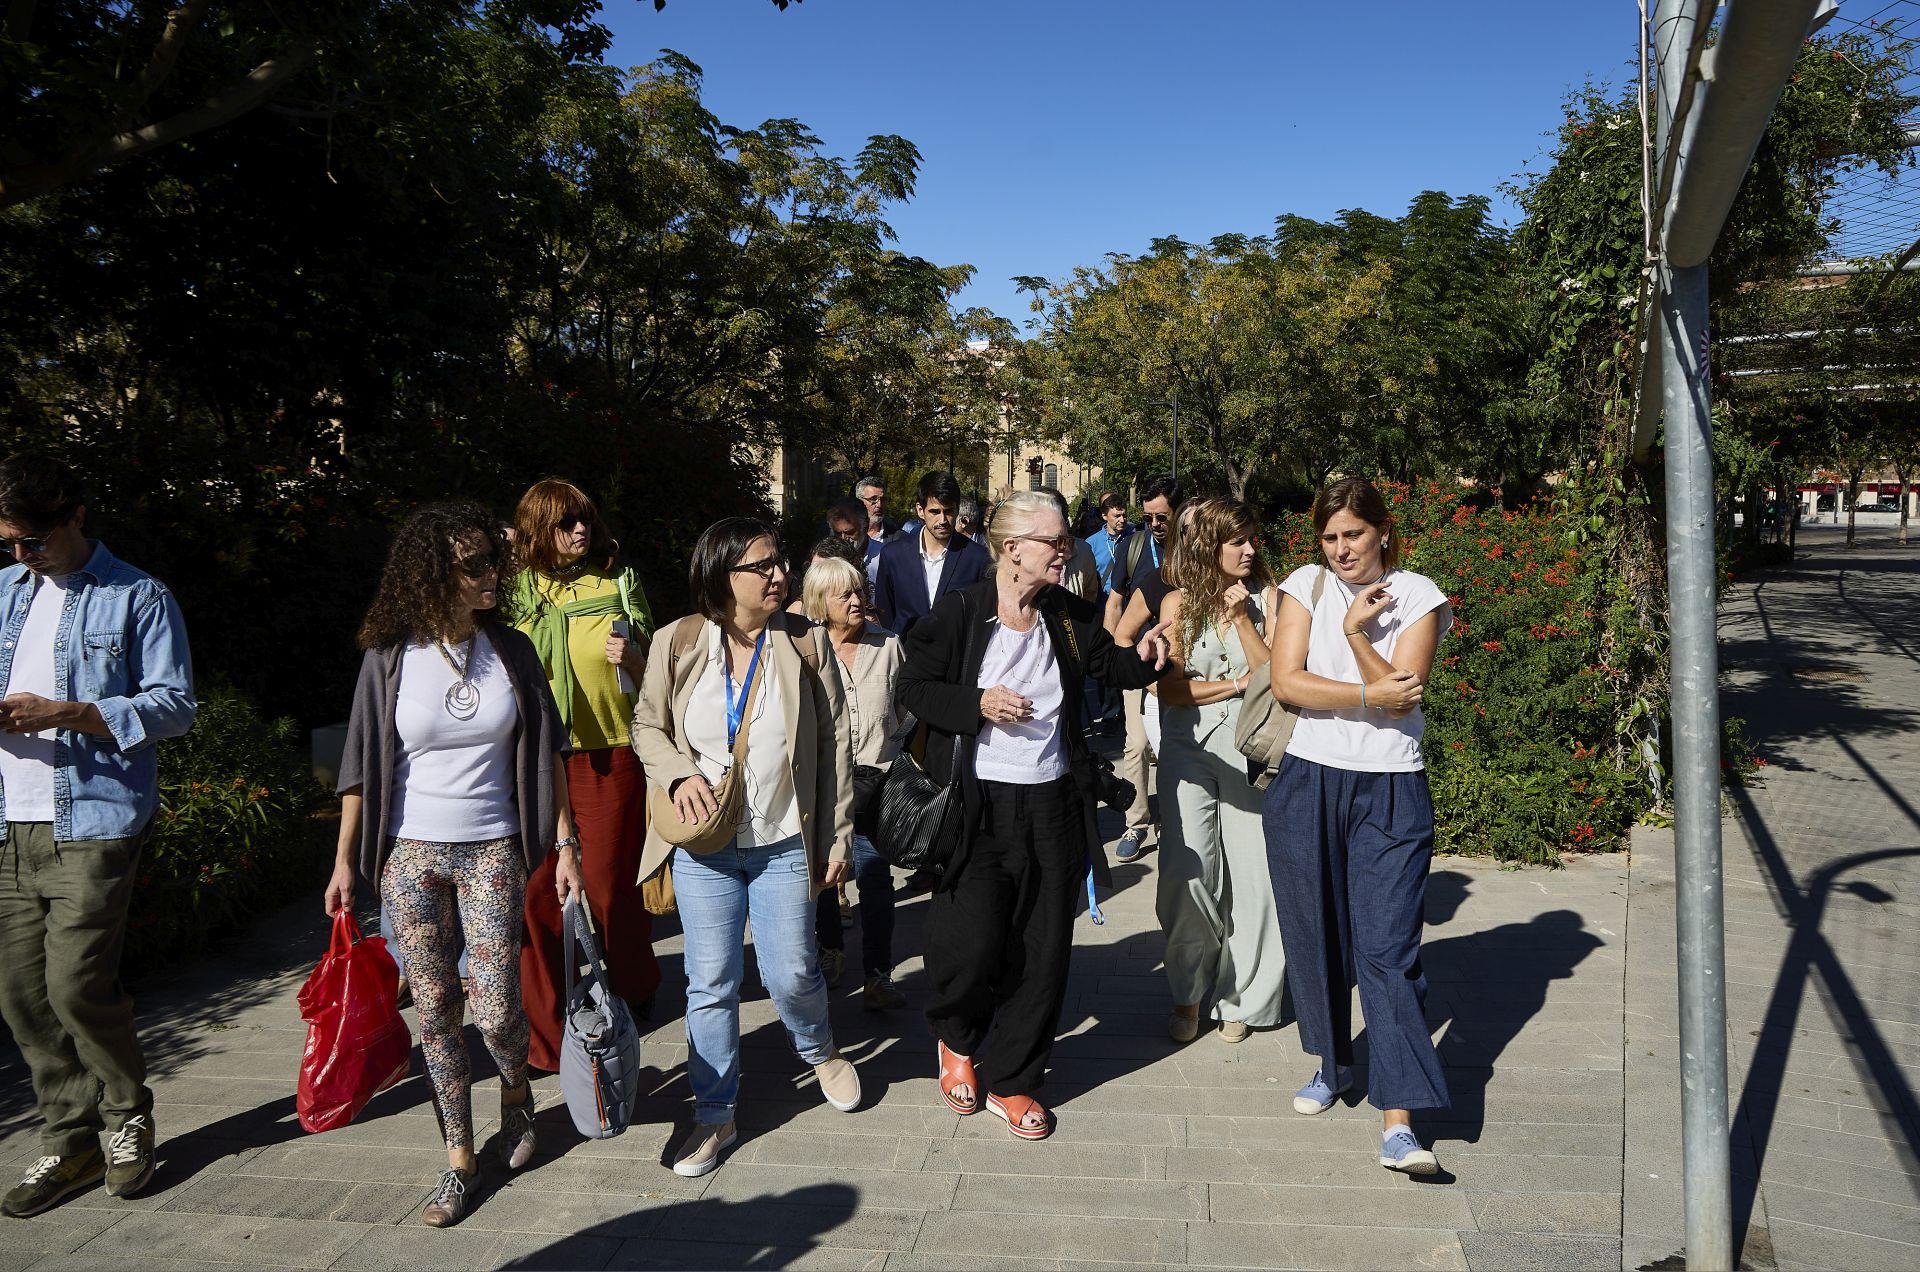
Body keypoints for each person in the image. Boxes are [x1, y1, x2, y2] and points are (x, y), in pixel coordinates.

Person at [325, 502, 582, 1227]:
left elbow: (552, 755)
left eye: (491, 562)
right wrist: (345, 862)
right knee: (435, 1007)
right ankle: (458, 1158)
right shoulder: (389, 659)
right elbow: (357, 770)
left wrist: (565, 844)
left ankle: (515, 1091)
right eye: (474, 566)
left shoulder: (515, 651)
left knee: (497, 1004)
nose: (492, 575)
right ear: (435, 575)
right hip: (410, 854)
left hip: (494, 845)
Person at [898, 491, 1171, 1141]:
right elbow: (913, 688)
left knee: (1044, 947)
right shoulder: (961, 611)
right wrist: (978, 702)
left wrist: (1152, 653)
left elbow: (1114, 665)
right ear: (1013, 547)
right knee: (970, 939)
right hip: (977, 802)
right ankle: (957, 1040)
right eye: (1055, 541)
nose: (1067, 549)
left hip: (1052, 801)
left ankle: (1015, 1078)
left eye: (1067, 540)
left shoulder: (1067, 614)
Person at [632, 519, 861, 1178]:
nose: (777, 574)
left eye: (778, 562)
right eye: (760, 566)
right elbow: (647, 724)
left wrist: (837, 836)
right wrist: (678, 774)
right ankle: (714, 1114)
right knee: (710, 984)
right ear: (723, 575)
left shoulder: (805, 642)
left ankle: (820, 1049)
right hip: (705, 847)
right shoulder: (678, 642)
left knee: (791, 971)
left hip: (784, 839)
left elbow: (836, 746)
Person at [0, 455, 196, 1219]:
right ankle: (69, 1137)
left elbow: (175, 706)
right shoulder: (4, 592)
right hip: (8, 823)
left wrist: (69, 713)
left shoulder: (138, 595)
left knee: (76, 985)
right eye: (9, 542)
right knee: (19, 995)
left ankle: (125, 1117)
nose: (21, 557)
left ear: (77, 516)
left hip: (95, 817)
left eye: (34, 540)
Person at [1262, 477, 1452, 1175]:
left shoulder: (1420, 595)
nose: (1342, 549)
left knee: (1387, 949)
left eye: (1354, 534)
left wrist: (1352, 637)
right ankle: (1331, 1063)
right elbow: (1288, 683)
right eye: (1331, 536)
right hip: (1307, 778)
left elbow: (1405, 701)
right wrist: (1370, 689)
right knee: (1313, 934)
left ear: (1383, 532)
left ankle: (1398, 1121)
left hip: (1392, 788)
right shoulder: (1302, 584)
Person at [508, 479, 661, 1073]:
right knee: (539, 892)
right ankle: (544, 1037)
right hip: (533, 759)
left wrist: (638, 657)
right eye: (567, 522)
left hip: (610, 753)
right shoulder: (516, 592)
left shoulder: (617, 584)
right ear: (537, 529)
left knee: (607, 888)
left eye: (587, 521)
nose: (581, 531)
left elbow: (657, 675)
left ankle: (626, 989)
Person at [1154, 499, 1286, 1045]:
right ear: (1209, 546)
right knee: (1189, 875)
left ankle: (1243, 1000)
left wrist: (1240, 618)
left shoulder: (1271, 599)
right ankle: (1188, 992)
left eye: (1252, 539)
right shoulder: (1178, 603)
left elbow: (1275, 673)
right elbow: (1170, 688)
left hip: (1250, 749)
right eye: (1237, 541)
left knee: (1255, 878)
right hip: (1189, 750)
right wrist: (1232, 686)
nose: (1250, 550)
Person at [802, 554, 907, 1009]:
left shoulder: (889, 646)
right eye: (843, 594)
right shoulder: (804, 650)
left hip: (879, 783)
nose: (856, 600)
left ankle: (879, 977)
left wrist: (889, 753)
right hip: (826, 789)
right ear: (819, 603)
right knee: (825, 878)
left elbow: (906, 713)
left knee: (876, 880)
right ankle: (831, 952)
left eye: (859, 591)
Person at [1103, 476, 1179, 863]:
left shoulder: (1194, 552)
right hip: (1138, 666)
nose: (1155, 525)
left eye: (1162, 516)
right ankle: (1136, 822)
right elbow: (1115, 606)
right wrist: (1113, 661)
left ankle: (1171, 822)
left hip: (1183, 668)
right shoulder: (1134, 548)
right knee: (1136, 744)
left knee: (1175, 748)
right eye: (1148, 517)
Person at [872, 470, 989, 636]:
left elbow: (979, 618)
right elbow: (885, 615)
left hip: (955, 659)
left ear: (957, 510)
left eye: (949, 511)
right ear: (920, 510)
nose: (942, 520)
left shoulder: (977, 558)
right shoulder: (893, 555)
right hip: (906, 656)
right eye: (935, 511)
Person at [825, 496, 884, 586]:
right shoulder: (824, 559)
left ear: (865, 526)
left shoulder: (884, 557)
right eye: (837, 533)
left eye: (850, 532)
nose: (843, 538)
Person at [1084, 492, 1133, 595]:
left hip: (1130, 602)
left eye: (1124, 515)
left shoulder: (1135, 537)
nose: (1122, 520)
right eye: (1117, 516)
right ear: (1104, 516)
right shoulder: (1091, 544)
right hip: (1103, 603)